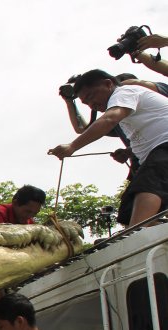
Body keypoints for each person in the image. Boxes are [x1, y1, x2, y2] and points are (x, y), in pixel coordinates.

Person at [49, 69, 168, 227]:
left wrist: (72, 146)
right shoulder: (125, 116)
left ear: (108, 84)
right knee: (128, 209)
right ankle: (147, 233)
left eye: (91, 97)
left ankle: (135, 234)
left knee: (148, 185)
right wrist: (128, 152)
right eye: (87, 103)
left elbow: (109, 119)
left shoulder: (124, 92)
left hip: (164, 148)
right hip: (155, 154)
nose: (93, 105)